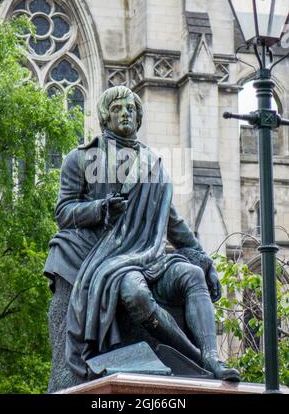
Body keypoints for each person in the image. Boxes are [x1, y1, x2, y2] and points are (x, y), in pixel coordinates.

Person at [44, 86, 240, 392]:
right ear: (105, 117)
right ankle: (198, 359)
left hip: (148, 256)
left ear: (138, 118)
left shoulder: (153, 165)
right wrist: (100, 209)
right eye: (118, 109)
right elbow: (64, 211)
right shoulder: (81, 159)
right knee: (135, 294)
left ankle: (213, 358)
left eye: (130, 109)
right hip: (107, 259)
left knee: (190, 275)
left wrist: (203, 260)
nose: (125, 114)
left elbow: (172, 221)